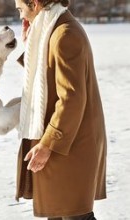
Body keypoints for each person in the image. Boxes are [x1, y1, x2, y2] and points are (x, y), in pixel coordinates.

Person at [14, 0, 107, 219]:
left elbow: (71, 99)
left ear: (35, 4)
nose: (20, 17)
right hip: (62, 140)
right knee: (59, 213)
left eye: (20, 9)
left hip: (69, 144)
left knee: (75, 215)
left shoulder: (65, 34)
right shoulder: (54, 30)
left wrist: (48, 144)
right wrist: (31, 48)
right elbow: (49, 77)